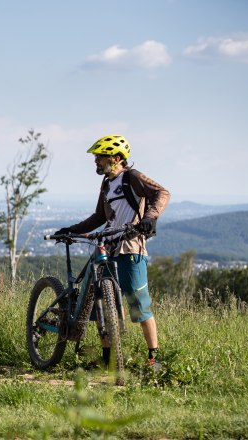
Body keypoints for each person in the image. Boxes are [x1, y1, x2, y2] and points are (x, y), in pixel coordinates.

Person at [54, 134, 170, 370]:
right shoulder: (106, 184)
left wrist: (150, 218)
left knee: (138, 303)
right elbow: (99, 217)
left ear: (116, 158)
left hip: (130, 247)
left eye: (100, 157)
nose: (96, 161)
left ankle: (153, 359)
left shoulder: (133, 178)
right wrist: (71, 230)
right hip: (107, 248)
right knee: (101, 305)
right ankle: (107, 359)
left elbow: (162, 193)